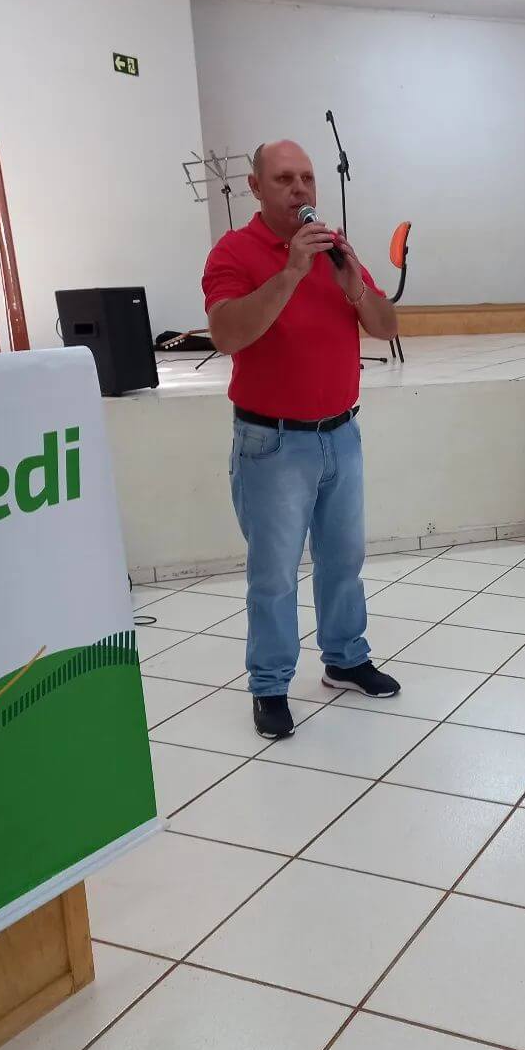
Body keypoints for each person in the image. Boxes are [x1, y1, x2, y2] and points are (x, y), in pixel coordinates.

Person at [202, 139, 401, 741]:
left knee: (344, 560)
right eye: (284, 178)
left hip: (341, 435)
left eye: (307, 178)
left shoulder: (335, 250)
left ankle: (344, 659)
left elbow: (386, 327)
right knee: (275, 575)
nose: (300, 189)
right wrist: (290, 271)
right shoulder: (233, 252)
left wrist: (354, 282)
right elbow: (227, 335)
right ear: (255, 187)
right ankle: (269, 684)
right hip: (272, 444)